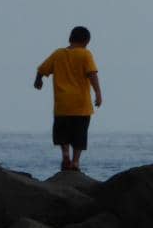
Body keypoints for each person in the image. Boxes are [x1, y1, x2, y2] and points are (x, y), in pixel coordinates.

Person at [34, 26, 102, 172]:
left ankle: (65, 154)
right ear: (87, 41)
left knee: (62, 134)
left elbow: (42, 69)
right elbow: (92, 74)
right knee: (79, 135)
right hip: (81, 105)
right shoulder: (85, 54)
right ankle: (75, 162)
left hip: (62, 105)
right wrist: (98, 93)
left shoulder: (58, 54)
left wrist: (38, 80)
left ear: (70, 38)